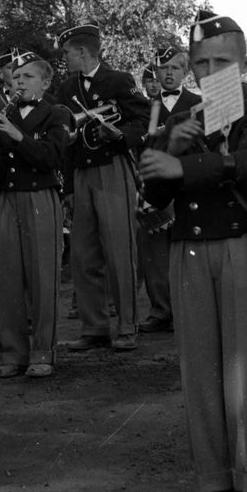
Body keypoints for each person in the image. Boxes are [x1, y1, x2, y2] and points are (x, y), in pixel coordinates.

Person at [139, 9, 247, 492]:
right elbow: (155, 195)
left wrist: (187, 166)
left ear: (243, 63)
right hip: (189, 252)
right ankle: (211, 478)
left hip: (241, 244)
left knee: (244, 375)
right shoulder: (182, 120)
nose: (211, 72)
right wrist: (170, 150)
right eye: (201, 63)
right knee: (199, 373)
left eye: (222, 61)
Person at [56, 23, 150, 352]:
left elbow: (142, 118)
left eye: (67, 53)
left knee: (119, 250)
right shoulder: (66, 87)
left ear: (84, 52)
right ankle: (94, 326)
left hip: (112, 168)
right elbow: (65, 139)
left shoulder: (119, 80)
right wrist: (68, 185)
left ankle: (127, 326)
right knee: (83, 254)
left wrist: (120, 135)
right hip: (81, 172)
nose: (64, 58)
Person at [0, 51, 69, 379]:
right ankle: (12, 353)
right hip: (5, 199)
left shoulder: (56, 114)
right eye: (16, 77)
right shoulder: (5, 114)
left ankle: (43, 352)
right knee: (7, 278)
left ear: (45, 83)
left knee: (42, 277)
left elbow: (51, 157)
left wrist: (16, 135)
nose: (19, 82)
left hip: (39, 197)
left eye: (28, 77)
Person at [137, 46, 200, 335]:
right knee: (156, 253)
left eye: (175, 67)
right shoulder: (145, 107)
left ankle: (191, 310)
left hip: (190, 183)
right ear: (156, 72)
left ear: (185, 71)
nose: (169, 73)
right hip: (155, 185)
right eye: (163, 69)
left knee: (192, 252)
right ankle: (160, 310)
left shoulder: (199, 102)